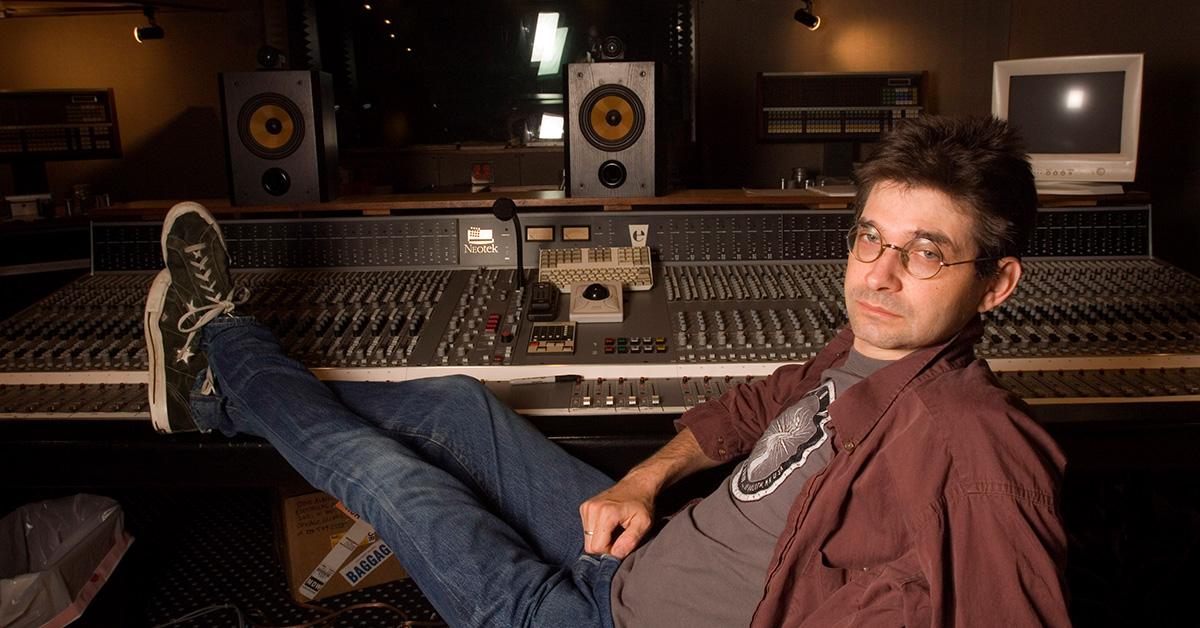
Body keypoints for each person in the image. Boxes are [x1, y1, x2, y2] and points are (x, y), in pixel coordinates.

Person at [144, 115, 1069, 627]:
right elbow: (758, 406)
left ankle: (224, 356)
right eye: (871, 235)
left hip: (594, 623)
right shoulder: (863, 350)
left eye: (926, 253)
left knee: (394, 483)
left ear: (997, 283)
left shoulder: (975, 445)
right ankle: (224, 401)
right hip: (636, 556)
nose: (879, 271)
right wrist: (640, 478)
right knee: (462, 407)